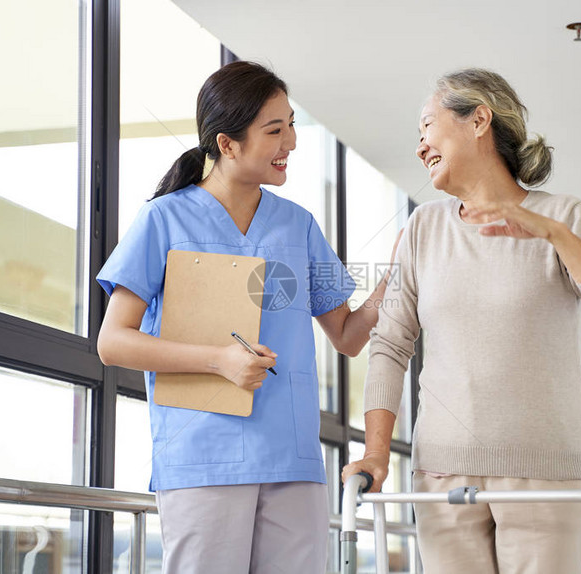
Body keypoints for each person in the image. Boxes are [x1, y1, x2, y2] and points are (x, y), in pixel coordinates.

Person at [342, 68, 581, 573]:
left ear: (478, 119)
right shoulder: (422, 227)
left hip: (545, 475)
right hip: (442, 476)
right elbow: (390, 344)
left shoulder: (564, 217)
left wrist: (553, 235)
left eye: (427, 126)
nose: (420, 146)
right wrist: (377, 452)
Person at [96, 61, 397, 573]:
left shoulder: (297, 225)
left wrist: (396, 282)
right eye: (275, 130)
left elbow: (346, 336)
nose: (292, 142)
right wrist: (218, 361)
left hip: (293, 458)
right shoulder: (164, 219)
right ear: (227, 144)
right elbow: (113, 343)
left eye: (292, 125)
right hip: (203, 458)